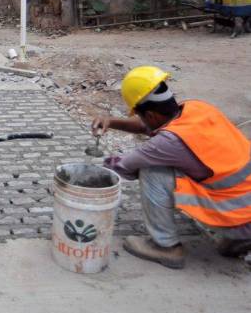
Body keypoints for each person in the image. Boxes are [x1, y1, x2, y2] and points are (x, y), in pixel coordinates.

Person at [92, 66, 251, 269]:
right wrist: (111, 121)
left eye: (141, 116)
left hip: (238, 213)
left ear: (150, 115)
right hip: (245, 206)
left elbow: (124, 167)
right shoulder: (196, 108)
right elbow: (149, 126)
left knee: (151, 170)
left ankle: (166, 247)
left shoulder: (169, 141)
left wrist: (93, 168)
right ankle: (239, 237)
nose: (142, 121)